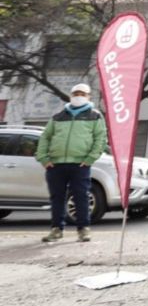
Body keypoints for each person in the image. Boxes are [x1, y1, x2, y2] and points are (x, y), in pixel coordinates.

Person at [35, 83, 107, 243]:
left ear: (89, 97)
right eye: (75, 93)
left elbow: (100, 139)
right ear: (71, 96)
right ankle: (56, 230)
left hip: (80, 165)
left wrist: (89, 159)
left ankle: (83, 230)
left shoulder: (94, 116)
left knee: (81, 197)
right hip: (55, 165)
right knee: (57, 198)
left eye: (82, 93)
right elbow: (45, 137)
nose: (78, 96)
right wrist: (44, 159)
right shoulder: (58, 116)